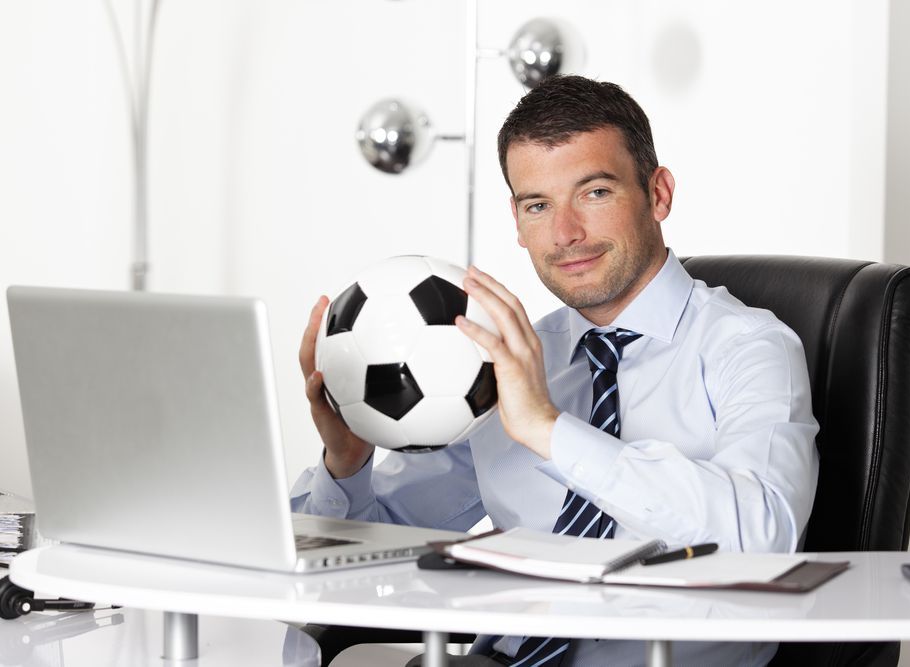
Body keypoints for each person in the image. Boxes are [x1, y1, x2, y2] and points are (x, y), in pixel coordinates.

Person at [291, 75, 819, 666]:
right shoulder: (492, 364)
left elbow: (764, 536)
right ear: (516, 221)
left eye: (594, 192)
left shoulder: (748, 347)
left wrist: (549, 429)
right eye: (537, 205)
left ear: (659, 193)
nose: (565, 234)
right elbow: (373, 542)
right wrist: (348, 462)